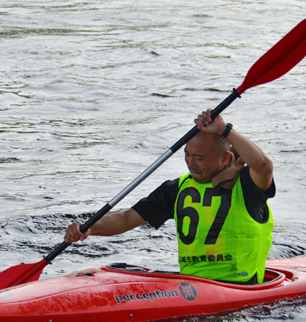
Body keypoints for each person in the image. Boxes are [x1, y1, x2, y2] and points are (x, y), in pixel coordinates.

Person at [65, 109, 275, 284]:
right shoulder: (177, 189)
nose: (191, 163)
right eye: (187, 154)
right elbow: (126, 218)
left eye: (199, 158)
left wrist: (225, 129)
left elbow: (264, 167)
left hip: (240, 287)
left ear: (224, 158)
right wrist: (89, 228)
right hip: (191, 285)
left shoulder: (247, 185)